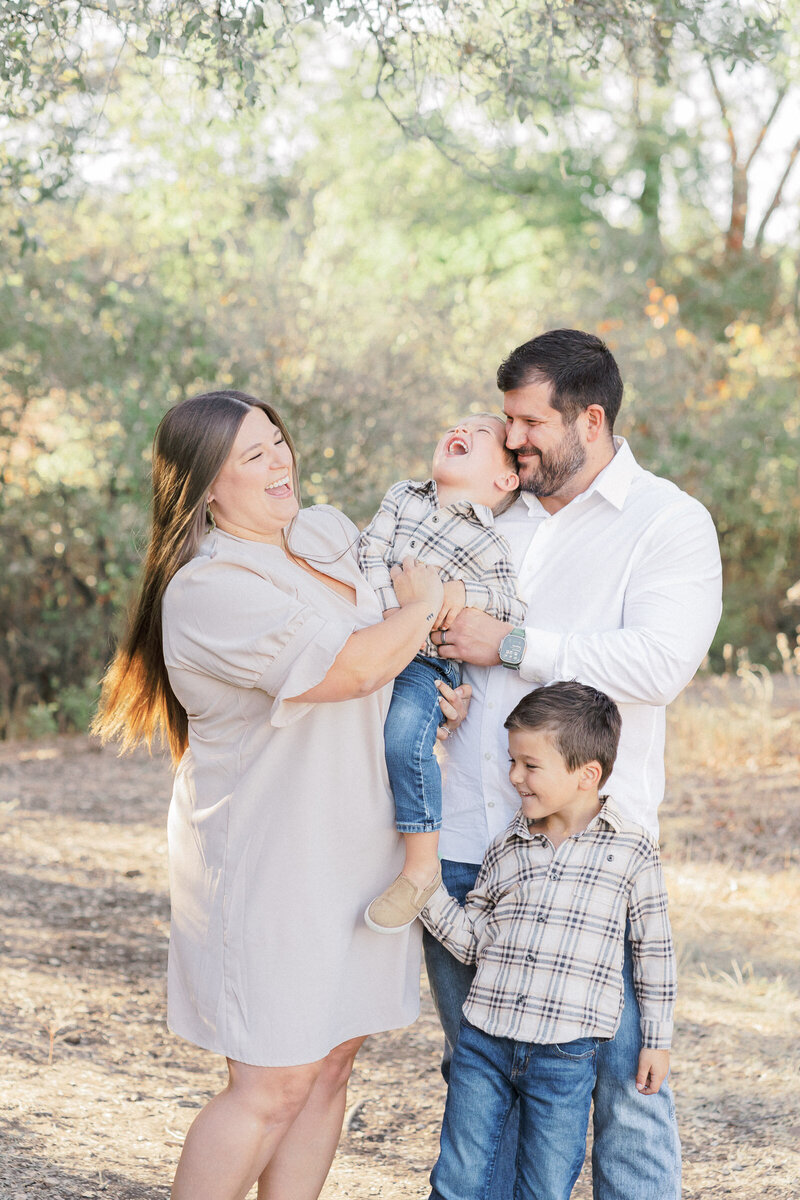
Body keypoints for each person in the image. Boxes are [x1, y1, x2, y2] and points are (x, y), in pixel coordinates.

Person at [92, 389, 468, 1200]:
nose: (279, 463)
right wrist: (425, 607)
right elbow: (356, 666)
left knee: (330, 1066)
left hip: (363, 851)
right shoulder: (208, 588)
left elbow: (388, 668)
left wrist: (433, 695)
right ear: (203, 488)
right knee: (270, 1088)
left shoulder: (325, 539)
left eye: (278, 443)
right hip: (273, 864)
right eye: (251, 456)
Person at [427, 329, 723, 1200]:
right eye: (507, 419)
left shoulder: (668, 522)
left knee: (624, 1095)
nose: (511, 438)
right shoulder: (481, 514)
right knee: (482, 1085)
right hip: (468, 839)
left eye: (528, 421)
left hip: (592, 861)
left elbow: (659, 663)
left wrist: (513, 644)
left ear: (590, 420)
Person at [422, 681, 676, 1200]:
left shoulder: (631, 852)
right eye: (512, 761)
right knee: (457, 1178)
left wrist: (656, 1039)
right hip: (484, 1046)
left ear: (587, 775)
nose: (513, 776)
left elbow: (654, 954)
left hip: (566, 1061)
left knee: (544, 1187)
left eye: (529, 765)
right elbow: (474, 944)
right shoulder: (506, 847)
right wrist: (421, 889)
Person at [358, 414, 526, 932]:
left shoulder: (491, 542)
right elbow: (367, 556)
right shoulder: (402, 497)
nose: (462, 430)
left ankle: (419, 866)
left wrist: (453, 597)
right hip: (369, 638)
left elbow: (509, 608)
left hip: (426, 661)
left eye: (481, 434)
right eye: (458, 425)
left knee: (404, 738)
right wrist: (400, 613)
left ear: (505, 480)